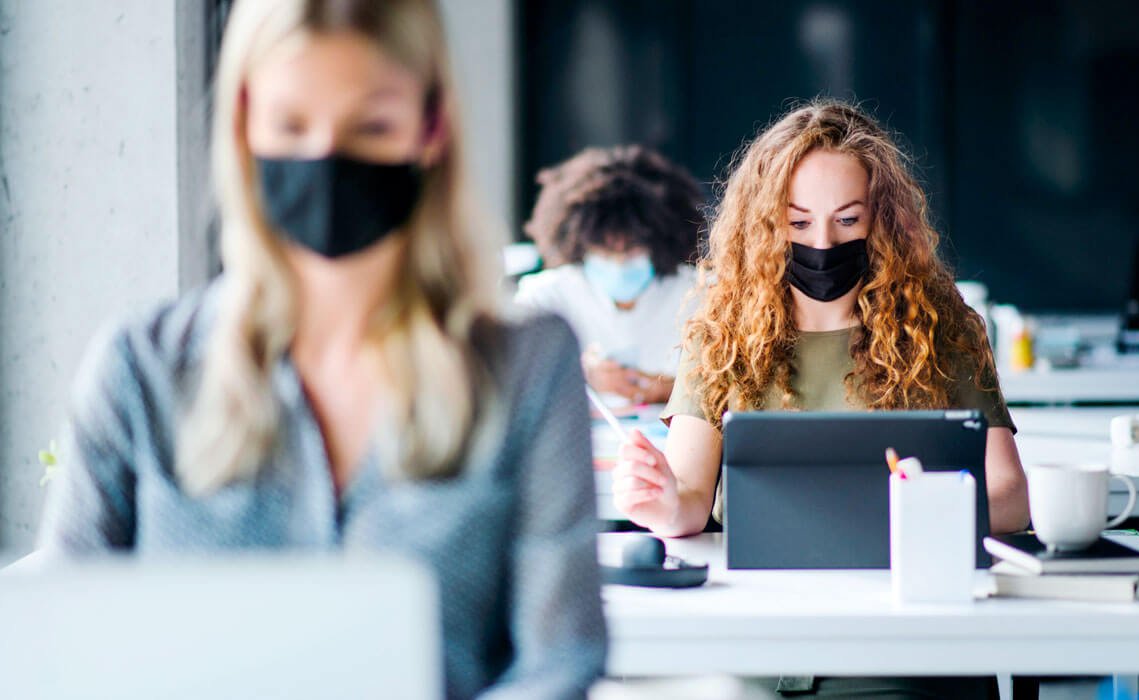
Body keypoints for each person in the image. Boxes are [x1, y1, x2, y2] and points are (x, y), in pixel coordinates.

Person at [36, 2, 605, 698]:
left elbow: (557, 664)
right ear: (244, 123)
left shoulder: (528, 370)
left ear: (432, 128)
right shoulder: (141, 370)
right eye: (291, 125)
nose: (327, 159)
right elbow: (61, 653)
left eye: (372, 127)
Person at [611, 101, 1029, 698]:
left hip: (903, 649)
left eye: (847, 220)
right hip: (754, 642)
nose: (823, 242)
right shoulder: (722, 334)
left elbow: (1010, 499)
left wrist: (925, 509)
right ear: (765, 224)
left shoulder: (942, 329)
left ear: (882, 222)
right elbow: (689, 501)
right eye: (798, 222)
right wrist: (659, 500)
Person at [516, 146, 704, 405]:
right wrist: (578, 375)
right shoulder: (545, 296)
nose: (619, 263)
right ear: (579, 243)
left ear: (660, 243)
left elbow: (732, 386)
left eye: (632, 249)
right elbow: (512, 379)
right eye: (604, 251)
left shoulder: (699, 293)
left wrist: (673, 390)